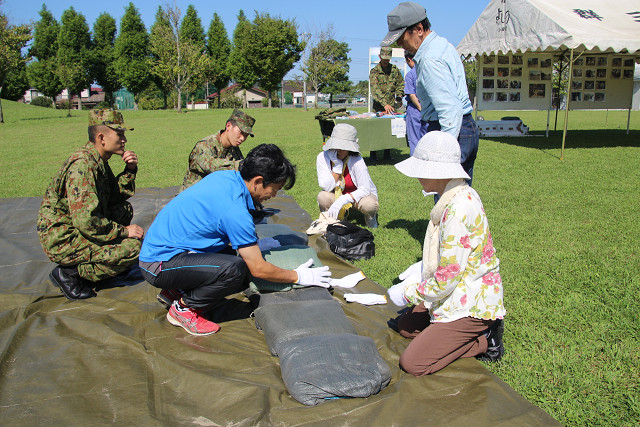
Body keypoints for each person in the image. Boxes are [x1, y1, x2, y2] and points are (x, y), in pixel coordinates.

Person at [139, 144, 331, 336]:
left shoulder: (226, 178)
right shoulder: (234, 210)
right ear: (258, 181)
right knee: (235, 270)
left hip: (172, 249)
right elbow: (258, 268)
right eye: (275, 189)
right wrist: (297, 276)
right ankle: (184, 309)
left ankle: (175, 290)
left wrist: (254, 244)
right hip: (158, 263)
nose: (273, 195)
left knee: (236, 259)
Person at [388, 131, 505, 375]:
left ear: (436, 172)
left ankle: (483, 337)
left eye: (421, 169)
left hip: (470, 300)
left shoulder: (458, 209)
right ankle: (452, 333)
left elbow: (447, 278)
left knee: (413, 362)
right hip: (456, 290)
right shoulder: (451, 197)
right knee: (406, 326)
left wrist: (410, 292)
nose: (417, 176)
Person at [37, 109, 144, 300]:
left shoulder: (97, 160)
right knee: (133, 249)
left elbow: (113, 197)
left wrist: (130, 169)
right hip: (63, 237)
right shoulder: (83, 166)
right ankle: (70, 273)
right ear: (102, 138)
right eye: (119, 134)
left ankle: (100, 261)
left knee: (123, 210)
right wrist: (123, 232)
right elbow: (87, 221)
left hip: (77, 226)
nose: (124, 139)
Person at [382, 2, 479, 185]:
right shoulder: (442, 45)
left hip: (449, 131)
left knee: (449, 198)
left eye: (401, 37)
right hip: (462, 129)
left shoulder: (429, 59)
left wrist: (443, 153)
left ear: (419, 29)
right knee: (461, 197)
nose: (400, 44)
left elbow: (450, 110)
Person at [317, 124, 379, 228]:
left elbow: (365, 189)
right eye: (336, 145)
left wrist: (343, 199)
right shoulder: (322, 157)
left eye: (343, 147)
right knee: (323, 197)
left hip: (358, 197)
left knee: (369, 205)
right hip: (336, 195)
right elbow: (326, 187)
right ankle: (334, 219)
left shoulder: (357, 160)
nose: (338, 150)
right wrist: (337, 165)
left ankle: (370, 219)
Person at [180, 109, 255, 192]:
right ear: (228, 126)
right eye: (240, 132)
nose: (242, 138)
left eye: (246, 135)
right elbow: (211, 166)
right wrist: (242, 165)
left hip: (211, 196)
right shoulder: (204, 145)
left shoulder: (234, 149)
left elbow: (239, 176)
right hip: (190, 198)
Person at [369, 45, 405, 160]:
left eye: (387, 58)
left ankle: (387, 154)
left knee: (389, 131)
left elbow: (401, 84)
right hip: (379, 107)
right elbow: (375, 91)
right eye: (383, 58)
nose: (385, 60)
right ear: (380, 56)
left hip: (392, 107)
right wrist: (385, 104)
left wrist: (399, 96)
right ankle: (373, 154)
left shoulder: (394, 70)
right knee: (375, 131)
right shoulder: (374, 71)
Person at [403, 50, 428, 155]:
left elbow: (411, 94)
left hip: (414, 110)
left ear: (409, 59)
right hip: (427, 109)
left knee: (414, 140)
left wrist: (419, 108)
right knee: (426, 139)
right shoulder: (425, 71)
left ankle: (414, 165)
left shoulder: (410, 75)